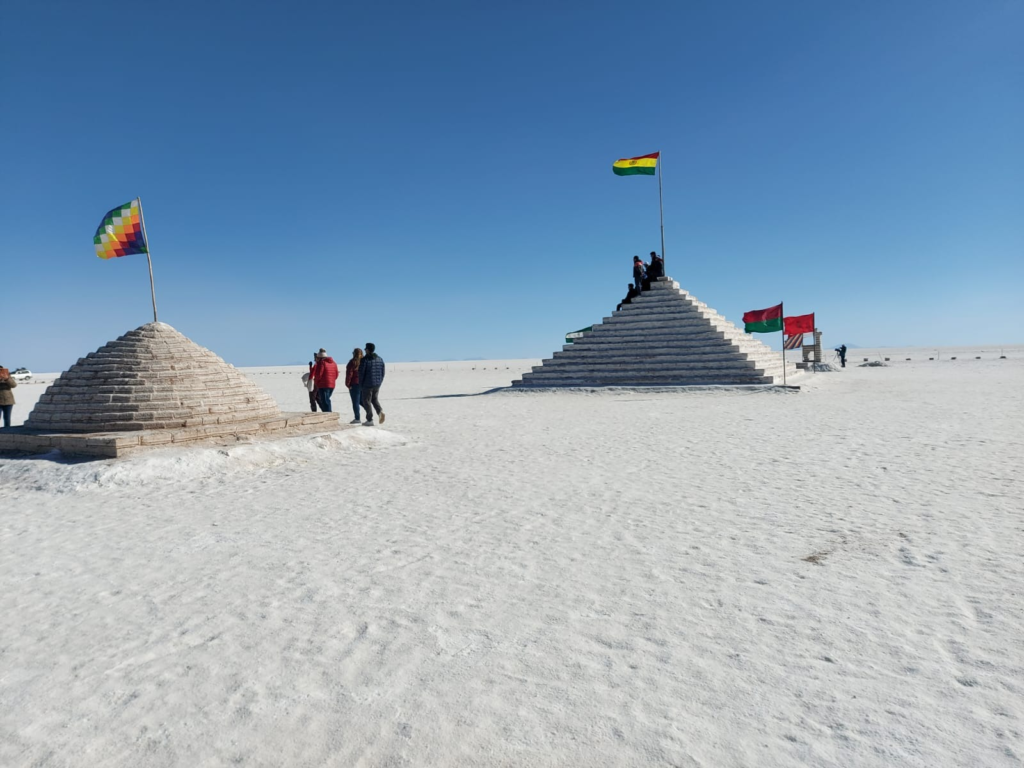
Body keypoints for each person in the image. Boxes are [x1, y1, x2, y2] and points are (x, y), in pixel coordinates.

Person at [358, 342, 386, 426]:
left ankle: (369, 419)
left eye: (365, 349)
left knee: (366, 401)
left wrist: (360, 384)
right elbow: (383, 372)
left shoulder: (365, 360)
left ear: (368, 350)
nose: (364, 350)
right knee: (374, 399)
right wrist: (379, 382)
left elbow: (361, 373)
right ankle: (380, 412)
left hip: (367, 384)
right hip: (377, 384)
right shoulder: (380, 359)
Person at [311, 348, 339, 412]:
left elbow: (318, 374)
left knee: (325, 401)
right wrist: (332, 380)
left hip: (323, 385)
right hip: (331, 385)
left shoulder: (321, 363)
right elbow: (336, 374)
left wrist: (317, 382)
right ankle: (328, 413)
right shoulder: (333, 363)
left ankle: (328, 415)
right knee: (327, 400)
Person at [345, 347, 364, 425]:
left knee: (355, 402)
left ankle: (357, 418)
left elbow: (349, 374)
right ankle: (369, 414)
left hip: (354, 383)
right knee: (361, 401)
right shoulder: (364, 361)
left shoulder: (352, 362)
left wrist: (348, 384)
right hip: (363, 384)